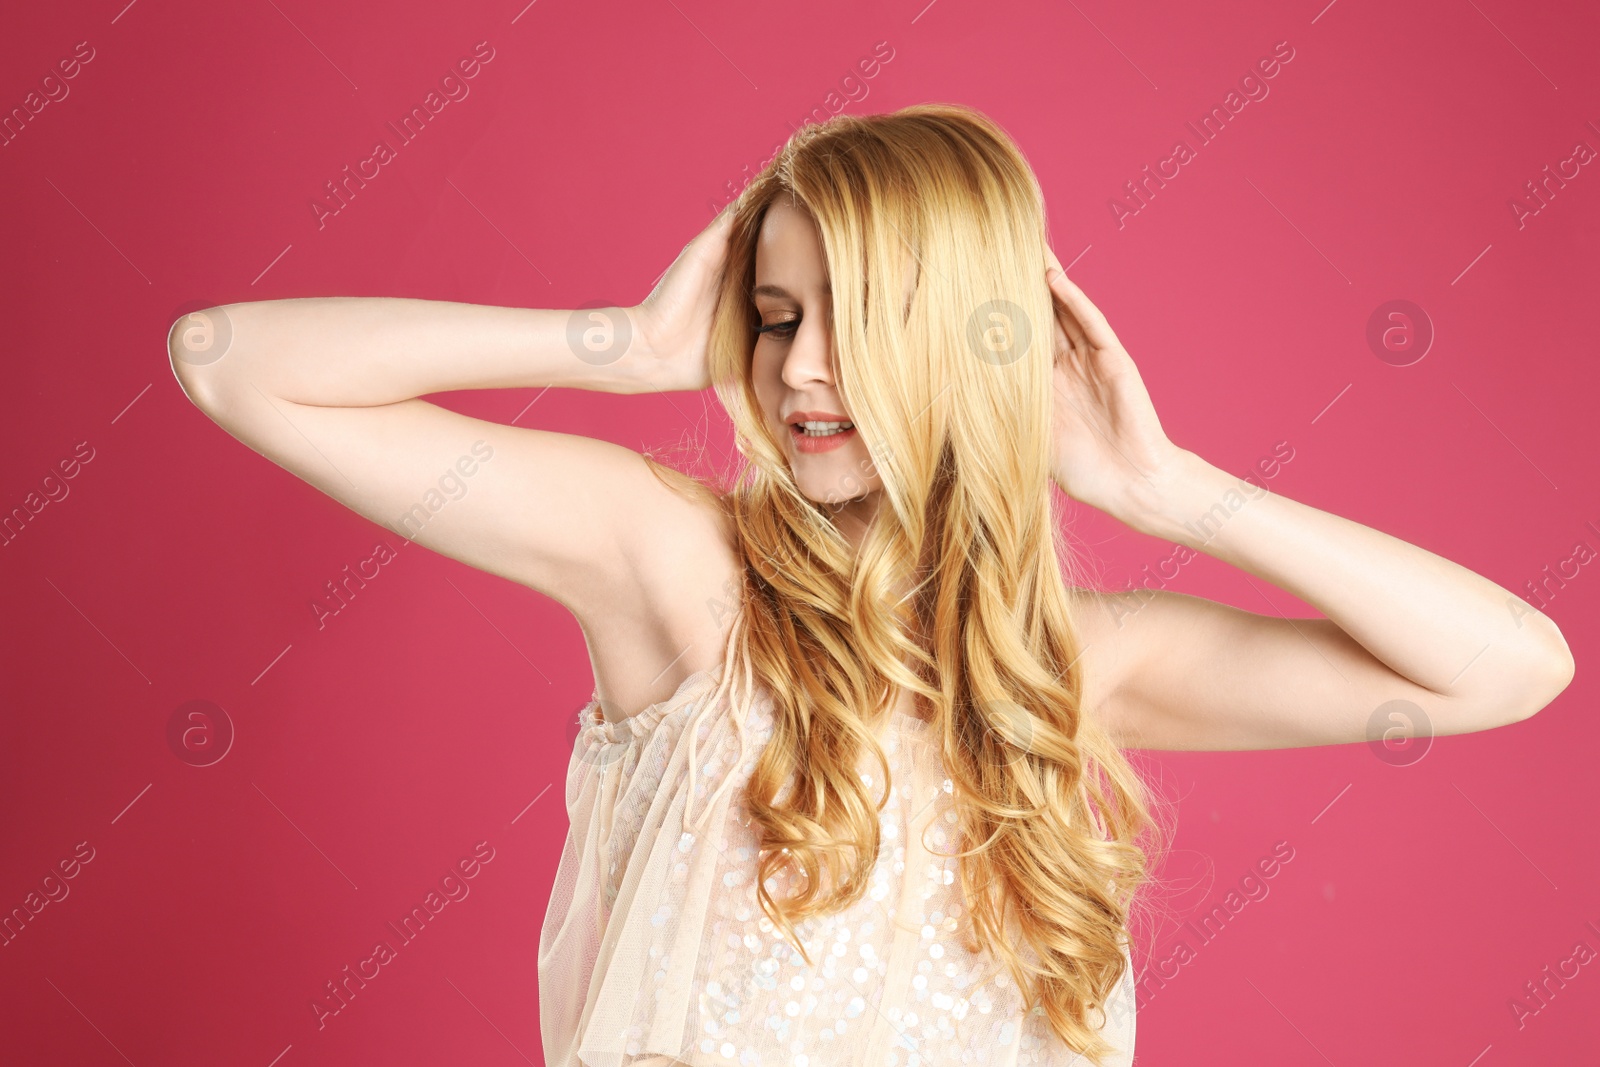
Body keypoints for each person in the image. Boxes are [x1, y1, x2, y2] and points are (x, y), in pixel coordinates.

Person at [167, 104, 1575, 1067]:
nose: (799, 371)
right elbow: (230, 361)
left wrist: (1167, 490)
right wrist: (628, 345)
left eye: (858, 317)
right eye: (776, 317)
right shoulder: (675, 570)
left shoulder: (1069, 670)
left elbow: (1511, 668)